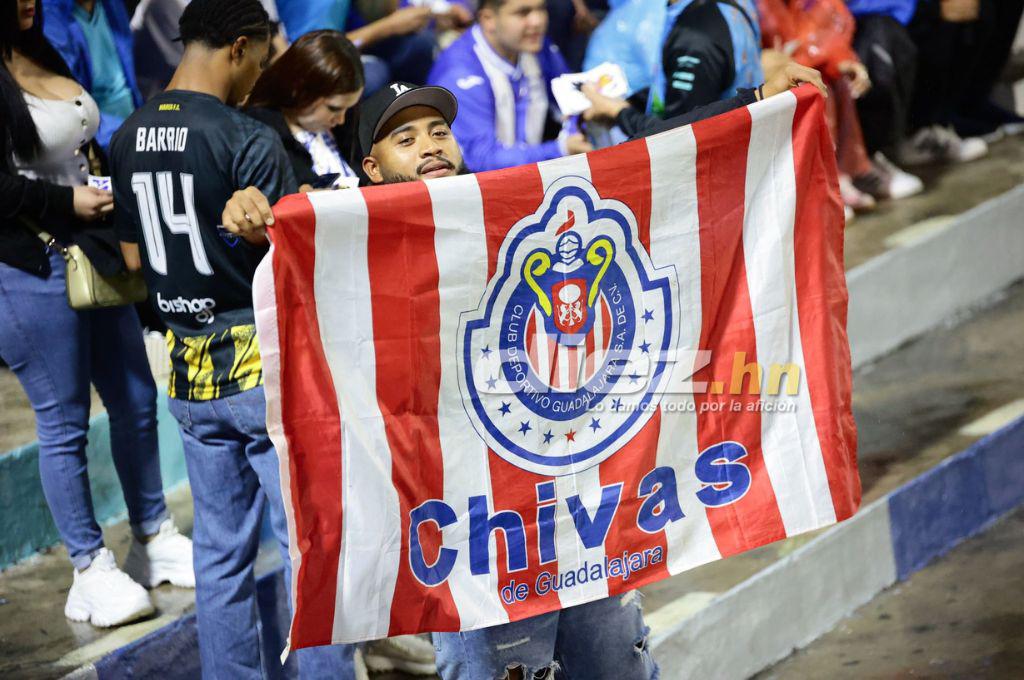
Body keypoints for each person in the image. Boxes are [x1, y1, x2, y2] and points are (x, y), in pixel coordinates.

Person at [223, 63, 827, 679]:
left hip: (574, 515)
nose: (430, 146)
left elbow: (653, 155)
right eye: (405, 139)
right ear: (371, 169)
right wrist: (251, 222)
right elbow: (286, 230)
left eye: (438, 131)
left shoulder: (507, 204)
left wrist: (752, 100)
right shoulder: (354, 237)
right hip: (470, 541)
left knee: (616, 668)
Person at [108, 0, 355, 676]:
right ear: (240, 48)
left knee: (219, 555)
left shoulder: (128, 134)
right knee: (311, 546)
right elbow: (294, 264)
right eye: (265, 58)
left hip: (187, 373)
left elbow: (132, 260)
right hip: (264, 368)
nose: (262, 75)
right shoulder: (246, 137)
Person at [0, 0, 193, 628]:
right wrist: (67, 201)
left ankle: (152, 533)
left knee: (137, 398)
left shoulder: (35, 48)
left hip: (91, 252)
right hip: (30, 264)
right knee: (62, 423)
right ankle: (88, 567)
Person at [427, 0, 593, 172]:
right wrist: (561, 149)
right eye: (523, 12)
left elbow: (574, 100)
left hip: (528, 173)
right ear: (488, 19)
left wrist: (576, 131)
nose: (538, 21)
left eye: (541, 8)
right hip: (477, 188)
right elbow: (480, 159)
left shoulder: (534, 45)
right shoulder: (459, 73)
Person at [244, 30, 364, 189]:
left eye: (348, 108)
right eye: (333, 108)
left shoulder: (346, 122)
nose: (341, 119)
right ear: (299, 89)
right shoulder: (260, 133)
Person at [40, 0, 143, 148]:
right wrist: (134, 136)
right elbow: (74, 109)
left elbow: (130, 84)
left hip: (133, 120)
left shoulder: (111, 5)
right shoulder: (50, 14)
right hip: (97, 137)